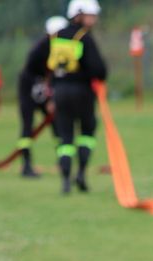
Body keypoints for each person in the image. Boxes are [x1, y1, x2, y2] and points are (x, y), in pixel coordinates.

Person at [45, 0, 107, 196]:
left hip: (60, 92)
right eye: (91, 15)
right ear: (79, 14)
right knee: (87, 133)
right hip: (82, 92)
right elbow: (99, 69)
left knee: (65, 137)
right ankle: (80, 174)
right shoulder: (84, 37)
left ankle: (65, 180)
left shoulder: (57, 37)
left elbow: (52, 68)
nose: (94, 20)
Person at [13, 17, 67, 179]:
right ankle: (26, 165)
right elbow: (38, 76)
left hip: (44, 89)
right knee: (27, 127)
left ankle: (63, 161)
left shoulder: (61, 48)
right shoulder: (39, 50)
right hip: (29, 90)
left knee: (56, 123)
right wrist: (49, 97)